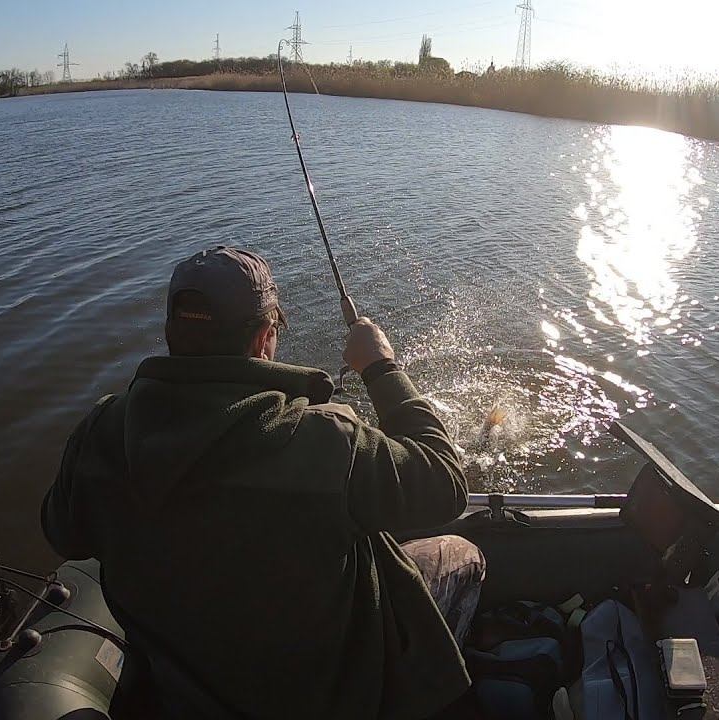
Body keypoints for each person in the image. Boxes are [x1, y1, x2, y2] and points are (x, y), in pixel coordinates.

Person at [41, 246, 485, 719]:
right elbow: (446, 483)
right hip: (332, 697)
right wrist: (381, 367)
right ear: (265, 338)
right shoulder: (322, 441)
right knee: (462, 555)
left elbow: (62, 533)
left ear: (172, 333)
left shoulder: (99, 431)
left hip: (197, 694)